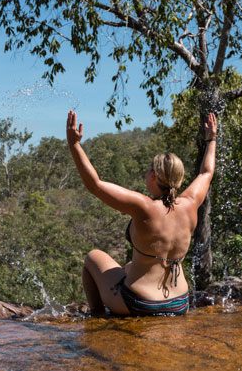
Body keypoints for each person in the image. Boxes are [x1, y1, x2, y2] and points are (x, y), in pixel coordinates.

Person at [67, 110, 217, 316]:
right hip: (180, 302)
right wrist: (211, 139)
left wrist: (74, 145)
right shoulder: (190, 202)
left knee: (93, 257)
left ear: (154, 176)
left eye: (148, 171)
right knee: (129, 266)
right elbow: (206, 172)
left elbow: (94, 185)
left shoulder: (143, 206)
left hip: (140, 303)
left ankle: (97, 318)